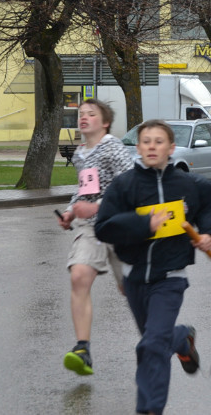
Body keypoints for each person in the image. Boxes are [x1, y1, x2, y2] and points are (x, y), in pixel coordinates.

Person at [95, 119, 211, 415]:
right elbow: (103, 227)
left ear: (171, 147)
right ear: (138, 147)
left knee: (152, 344)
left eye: (158, 141)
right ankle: (181, 339)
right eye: (146, 141)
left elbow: (209, 204)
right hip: (134, 277)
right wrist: (144, 223)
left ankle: (150, 409)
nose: (152, 146)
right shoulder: (124, 185)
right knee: (155, 340)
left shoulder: (189, 185)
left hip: (170, 277)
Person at [57, 98, 133, 377]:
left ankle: (170, 336)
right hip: (90, 228)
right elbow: (83, 190)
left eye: (91, 114)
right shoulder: (80, 153)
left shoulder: (113, 147)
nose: (84, 117)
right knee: (78, 276)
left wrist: (98, 207)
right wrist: (70, 212)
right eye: (81, 113)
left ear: (105, 122)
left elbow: (129, 187)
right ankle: (82, 349)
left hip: (121, 226)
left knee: (132, 290)